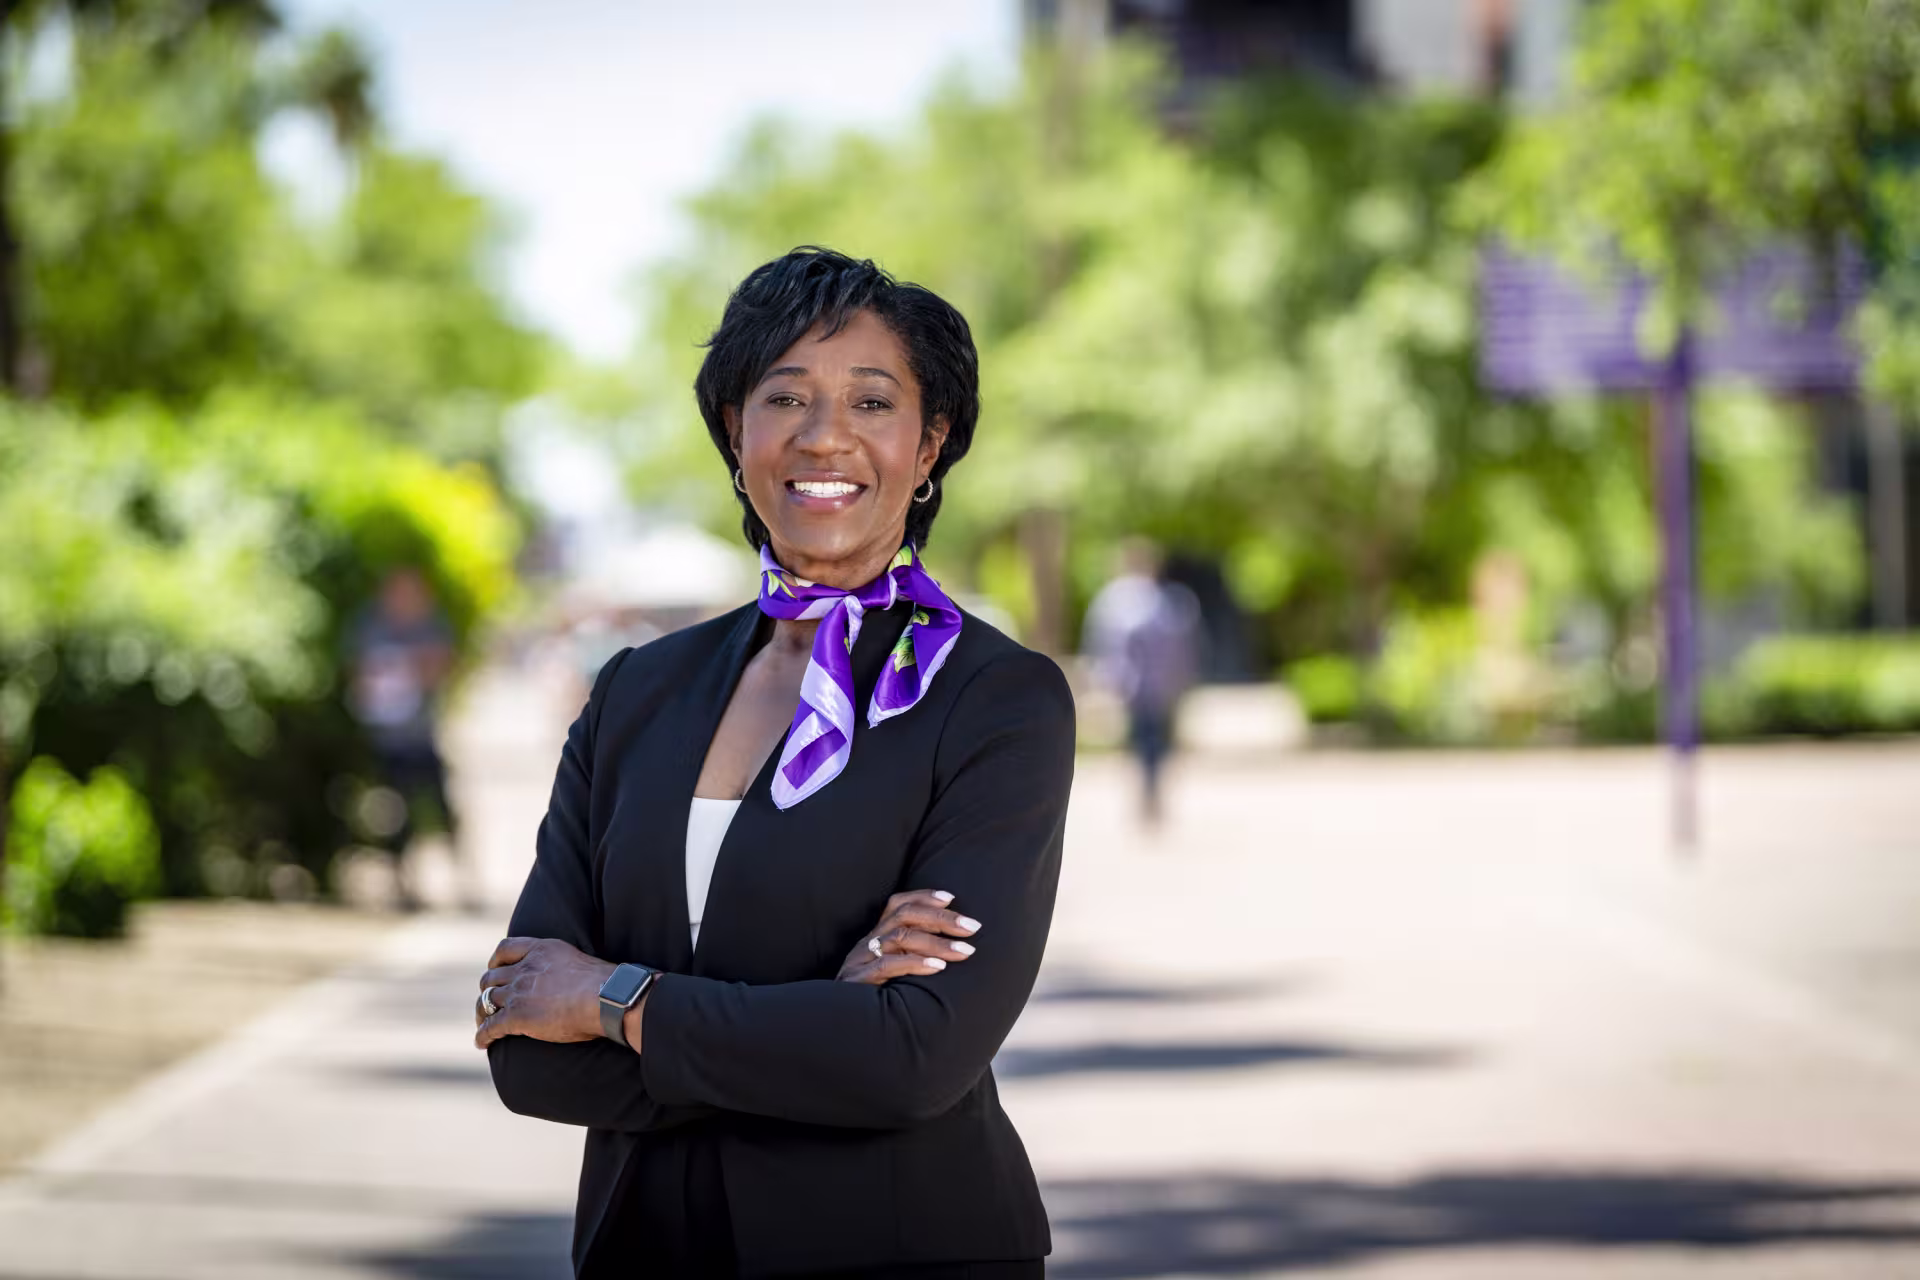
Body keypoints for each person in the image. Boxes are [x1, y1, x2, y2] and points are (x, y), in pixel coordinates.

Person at [474, 247, 1076, 1277]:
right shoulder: (634, 690)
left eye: (872, 401)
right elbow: (527, 1049)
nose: (824, 434)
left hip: (901, 1248)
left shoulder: (998, 699)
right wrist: (822, 1018)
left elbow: (911, 1057)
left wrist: (612, 1001)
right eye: (784, 396)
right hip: (646, 1247)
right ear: (733, 431)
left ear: (930, 443)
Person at [345, 565, 467, 910]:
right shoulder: (370, 625)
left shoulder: (431, 625)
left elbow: (444, 666)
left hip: (421, 735)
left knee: (441, 809)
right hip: (386, 738)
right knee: (394, 814)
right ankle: (403, 884)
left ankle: (461, 882)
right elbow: (358, 674)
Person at [1081, 536, 1201, 829]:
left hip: (1138, 686)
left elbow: (1102, 645)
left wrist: (1102, 680)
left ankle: (1149, 794)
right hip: (1154, 686)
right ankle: (1150, 794)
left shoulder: (1118, 601)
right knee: (1152, 742)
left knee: (1148, 742)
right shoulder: (1167, 601)